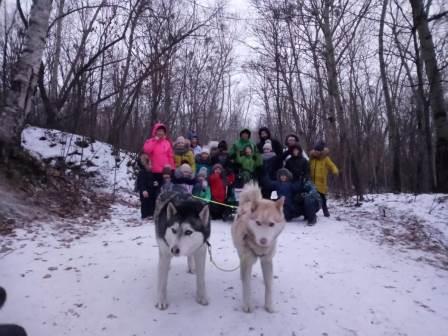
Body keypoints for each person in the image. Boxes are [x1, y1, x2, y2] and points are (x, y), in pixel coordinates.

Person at [309, 141, 339, 217]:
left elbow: (332, 165)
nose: (316, 152)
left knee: (323, 199)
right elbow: (307, 166)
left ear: (321, 151)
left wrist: (335, 171)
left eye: (318, 150)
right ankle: (312, 212)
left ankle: (325, 211)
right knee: (312, 198)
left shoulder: (325, 159)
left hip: (321, 183)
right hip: (312, 182)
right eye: (315, 150)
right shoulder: (312, 159)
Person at [136, 154, 159, 219]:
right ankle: (145, 215)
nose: (151, 166)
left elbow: (152, 180)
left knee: (152, 202)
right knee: (145, 203)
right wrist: (143, 190)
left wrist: (155, 183)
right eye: (149, 164)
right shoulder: (142, 173)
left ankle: (151, 214)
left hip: (151, 191)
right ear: (145, 164)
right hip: (145, 192)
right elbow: (141, 182)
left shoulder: (151, 172)